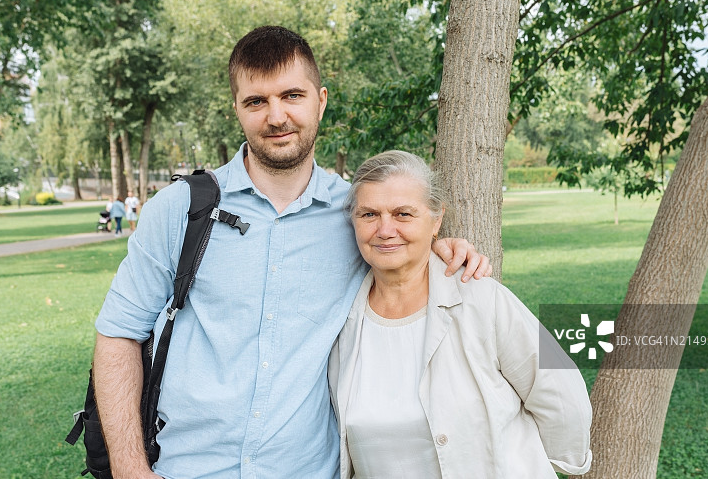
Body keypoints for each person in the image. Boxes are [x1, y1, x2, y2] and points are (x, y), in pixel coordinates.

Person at [92, 26, 490, 479]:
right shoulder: (180, 209)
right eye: (256, 101)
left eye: (292, 95)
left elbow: (396, 241)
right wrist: (129, 470)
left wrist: (437, 245)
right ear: (237, 110)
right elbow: (119, 334)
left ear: (320, 100)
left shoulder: (354, 215)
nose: (276, 116)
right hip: (187, 469)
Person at [329, 150, 592, 478]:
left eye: (403, 214)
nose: (384, 230)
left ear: (436, 219)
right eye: (369, 214)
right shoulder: (340, 318)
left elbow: (561, 392)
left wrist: (550, 465)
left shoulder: (482, 299)